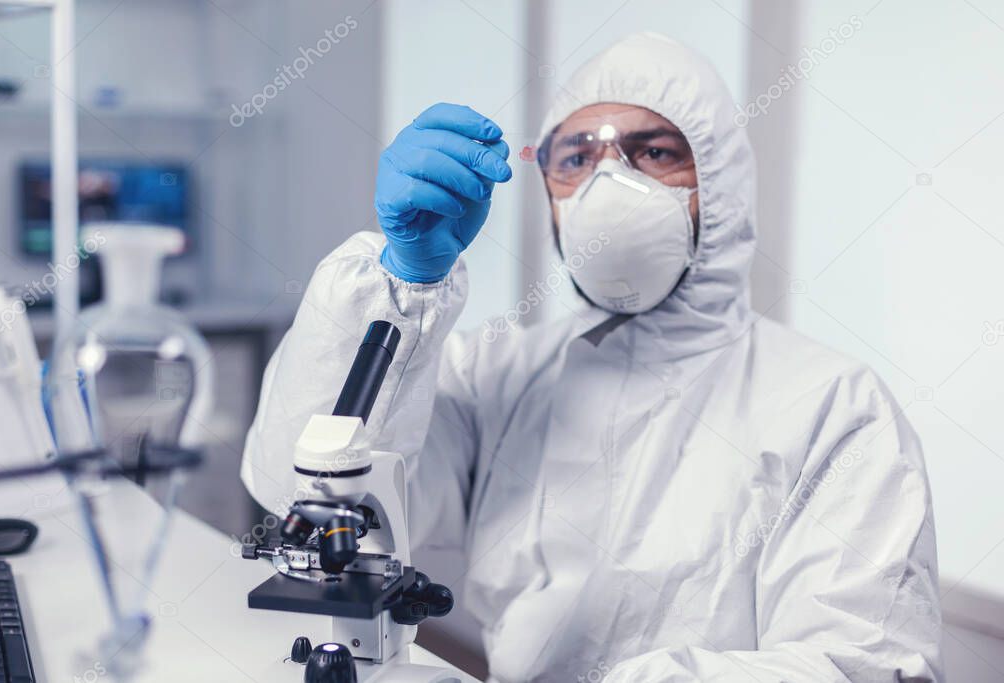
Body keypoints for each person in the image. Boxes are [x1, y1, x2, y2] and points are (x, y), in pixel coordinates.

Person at [242, 32, 942, 682]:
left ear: (719, 182)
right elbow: (303, 493)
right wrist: (401, 288)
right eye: (576, 158)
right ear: (548, 194)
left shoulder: (834, 408)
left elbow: (860, 663)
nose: (610, 183)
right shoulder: (501, 374)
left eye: (654, 152)